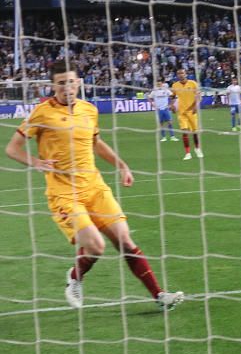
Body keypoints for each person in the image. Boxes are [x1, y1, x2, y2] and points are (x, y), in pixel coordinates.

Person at [4, 60, 184, 311]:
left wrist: (122, 165)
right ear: (53, 85)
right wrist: (36, 162)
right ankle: (75, 277)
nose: (67, 87)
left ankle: (159, 295)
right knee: (95, 246)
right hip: (63, 194)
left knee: (125, 241)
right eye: (61, 83)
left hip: (94, 187)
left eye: (71, 81)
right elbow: (12, 148)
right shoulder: (41, 113)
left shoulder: (88, 110)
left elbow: (97, 144)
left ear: (78, 82)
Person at [171, 68, 204, 160]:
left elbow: (199, 96)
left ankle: (197, 149)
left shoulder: (193, 83)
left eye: (182, 73)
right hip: (181, 113)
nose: (181, 75)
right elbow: (172, 96)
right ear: (177, 75)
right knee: (184, 132)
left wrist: (195, 106)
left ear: (186, 74)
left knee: (195, 132)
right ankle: (187, 153)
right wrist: (172, 105)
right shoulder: (175, 85)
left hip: (192, 112)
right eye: (179, 73)